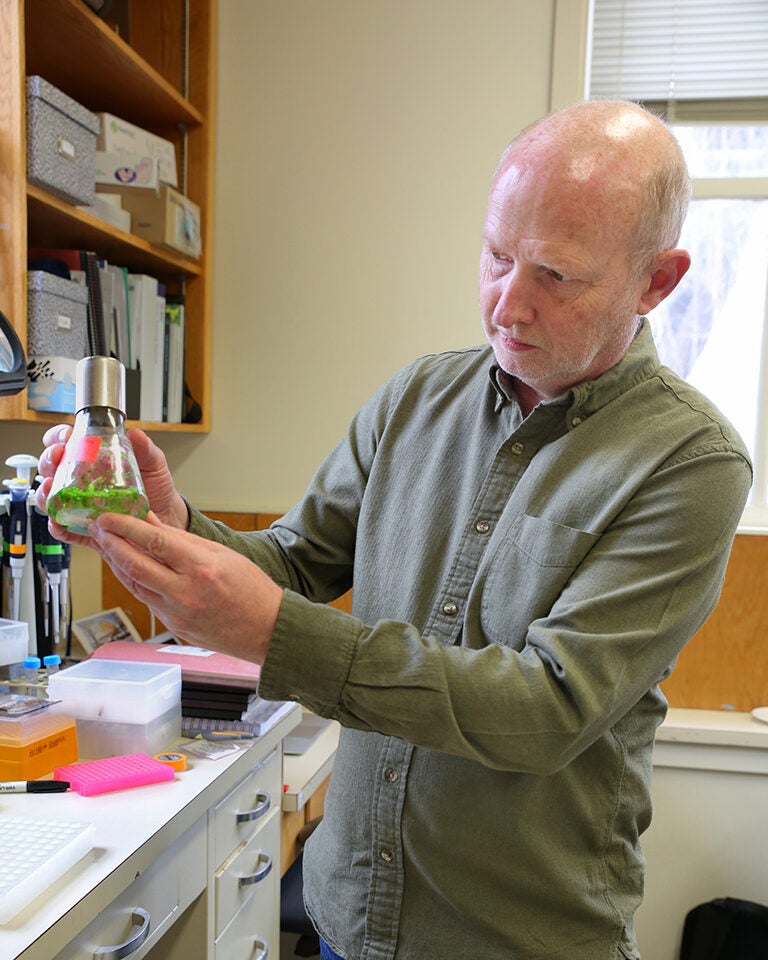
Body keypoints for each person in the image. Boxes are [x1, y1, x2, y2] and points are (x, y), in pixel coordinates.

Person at [38, 100, 752, 960]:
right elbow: (294, 562)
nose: (508, 307)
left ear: (656, 281)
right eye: (495, 257)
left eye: (557, 276)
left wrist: (274, 633)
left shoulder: (691, 462)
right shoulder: (417, 399)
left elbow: (550, 706)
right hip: (349, 918)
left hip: (516, 942)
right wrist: (173, 525)